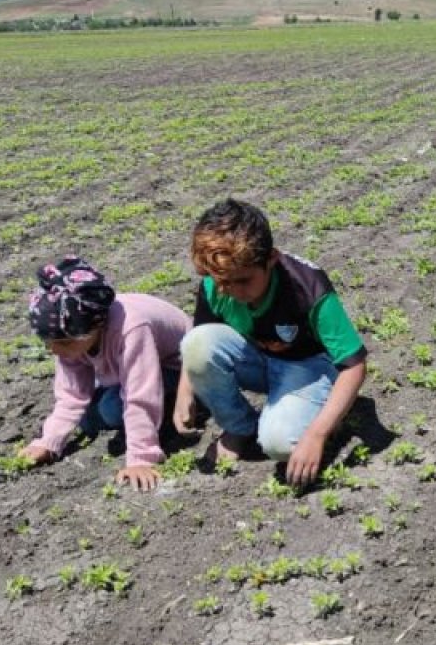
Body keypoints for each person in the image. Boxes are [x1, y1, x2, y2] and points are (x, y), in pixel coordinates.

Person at [179, 199, 367, 486]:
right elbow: (201, 335)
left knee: (280, 444)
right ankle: (239, 428)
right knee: (196, 344)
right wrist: (185, 392)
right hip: (258, 357)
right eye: (222, 282)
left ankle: (326, 413)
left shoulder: (308, 287)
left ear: (271, 259)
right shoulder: (219, 283)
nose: (230, 291)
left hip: (307, 367)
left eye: (242, 281)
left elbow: (354, 365)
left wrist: (317, 434)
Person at [21, 257, 192, 491]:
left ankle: (176, 407)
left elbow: (140, 394)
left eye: (61, 343)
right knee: (86, 419)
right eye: (47, 342)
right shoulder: (71, 336)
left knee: (111, 409)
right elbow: (71, 394)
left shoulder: (131, 328)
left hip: (179, 369)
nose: (53, 350)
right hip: (134, 370)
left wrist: (141, 458)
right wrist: (48, 442)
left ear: (93, 328)